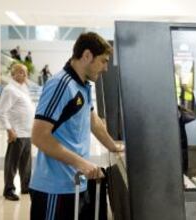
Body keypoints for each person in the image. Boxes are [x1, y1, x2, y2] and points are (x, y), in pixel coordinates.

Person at [29, 32, 124, 219]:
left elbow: (93, 121)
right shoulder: (61, 84)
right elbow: (39, 136)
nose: (105, 68)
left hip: (74, 182)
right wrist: (81, 163)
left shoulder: (83, 86)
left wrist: (114, 146)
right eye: (103, 61)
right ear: (87, 55)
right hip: (54, 187)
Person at [0, 63, 34, 201]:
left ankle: (26, 187)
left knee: (26, 163)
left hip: (27, 132)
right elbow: (1, 112)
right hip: (17, 133)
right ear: (13, 74)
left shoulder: (24, 88)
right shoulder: (10, 90)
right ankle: (8, 190)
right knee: (11, 164)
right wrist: (10, 130)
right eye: (20, 72)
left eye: (25, 72)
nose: (24, 75)